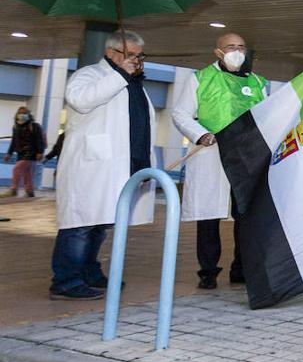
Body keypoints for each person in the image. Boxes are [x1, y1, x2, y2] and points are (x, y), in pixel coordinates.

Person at [50, 30, 156, 300]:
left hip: (123, 164)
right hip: (92, 165)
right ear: (111, 53)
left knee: (102, 222)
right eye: (129, 54)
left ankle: (89, 271)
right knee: (80, 224)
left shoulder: (135, 84)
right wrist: (120, 74)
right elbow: (82, 101)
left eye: (138, 55)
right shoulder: (88, 75)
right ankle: (65, 281)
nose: (135, 60)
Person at [171, 33, 268, 289]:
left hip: (246, 156)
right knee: (209, 214)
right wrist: (200, 134)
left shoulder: (258, 82)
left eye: (241, 47)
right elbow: (181, 113)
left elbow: (266, 116)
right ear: (218, 52)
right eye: (230, 47)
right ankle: (208, 271)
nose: (237, 51)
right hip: (211, 153)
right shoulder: (200, 79)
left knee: (245, 213)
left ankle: (241, 268)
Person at [5, 106, 45, 197]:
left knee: (16, 169)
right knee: (27, 173)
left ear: (28, 115)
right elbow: (14, 141)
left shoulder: (34, 126)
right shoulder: (16, 127)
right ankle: (30, 191)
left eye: (24, 113)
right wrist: (9, 153)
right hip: (20, 153)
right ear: (17, 115)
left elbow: (40, 139)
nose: (22, 115)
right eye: (20, 113)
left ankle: (14, 189)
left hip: (30, 152)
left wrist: (40, 151)